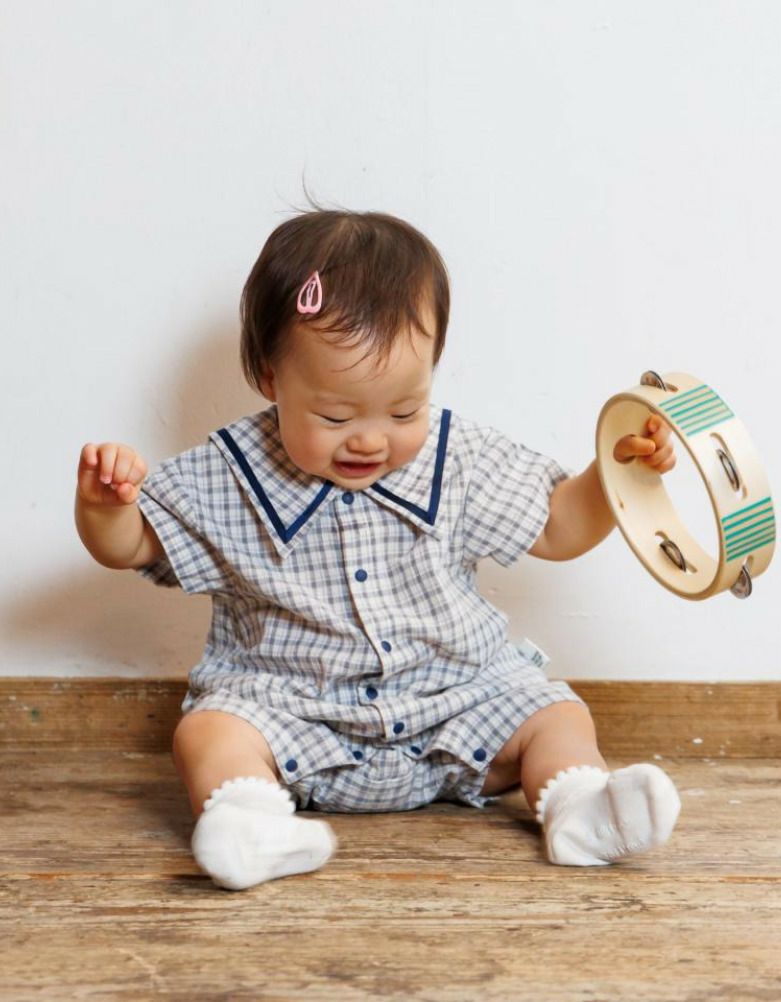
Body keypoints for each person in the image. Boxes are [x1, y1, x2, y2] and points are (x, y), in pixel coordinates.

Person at [75, 209, 682, 891]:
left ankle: (579, 808)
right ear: (271, 377)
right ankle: (249, 820)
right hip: (298, 717)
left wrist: (613, 473)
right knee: (208, 732)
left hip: (456, 706)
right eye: (334, 415)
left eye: (403, 411)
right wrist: (107, 507)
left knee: (556, 714)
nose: (369, 439)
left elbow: (559, 527)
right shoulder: (229, 473)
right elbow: (133, 545)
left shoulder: (459, 458)